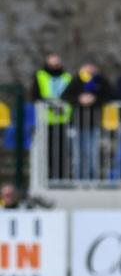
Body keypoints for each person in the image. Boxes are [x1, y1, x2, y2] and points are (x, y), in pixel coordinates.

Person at [62, 61, 111, 181]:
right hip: (77, 123)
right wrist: (79, 99)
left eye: (91, 67)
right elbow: (65, 96)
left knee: (93, 154)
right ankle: (78, 179)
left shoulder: (100, 81)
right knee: (77, 154)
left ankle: (93, 180)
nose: (89, 70)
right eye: (87, 67)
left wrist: (95, 99)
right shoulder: (76, 80)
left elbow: (110, 95)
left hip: (94, 123)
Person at [31, 53, 73, 181]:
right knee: (47, 150)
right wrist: (51, 104)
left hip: (63, 119)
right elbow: (35, 95)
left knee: (63, 151)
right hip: (46, 120)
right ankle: (47, 177)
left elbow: (72, 95)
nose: (55, 63)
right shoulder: (40, 75)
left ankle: (62, 178)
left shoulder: (67, 76)